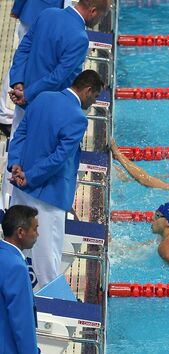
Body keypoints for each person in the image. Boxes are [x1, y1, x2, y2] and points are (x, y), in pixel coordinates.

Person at [4, 0, 110, 198]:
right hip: (49, 109)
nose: (100, 20)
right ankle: (24, 218)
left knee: (16, 153)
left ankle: (7, 208)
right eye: (102, 16)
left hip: (24, 100)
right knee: (39, 165)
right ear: (93, 11)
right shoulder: (79, 37)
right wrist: (29, 94)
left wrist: (19, 83)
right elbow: (58, 76)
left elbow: (23, 48)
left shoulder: (48, 14)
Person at [7, 69, 103, 289]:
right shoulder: (77, 117)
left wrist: (15, 165)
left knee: (16, 248)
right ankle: (50, 307)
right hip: (48, 195)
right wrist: (30, 176)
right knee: (48, 262)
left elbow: (20, 133)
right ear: (88, 91)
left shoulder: (43, 98)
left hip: (21, 187)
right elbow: (59, 158)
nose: (93, 102)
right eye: (95, 97)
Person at [0, 0, 64, 135]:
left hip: (45, 14)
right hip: (38, 14)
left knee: (24, 61)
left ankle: (7, 111)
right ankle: (4, 113)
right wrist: (18, 8)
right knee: (21, 62)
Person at [0, 205, 40, 354]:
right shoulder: (16, 267)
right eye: (35, 229)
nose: (37, 234)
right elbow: (22, 323)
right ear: (20, 232)